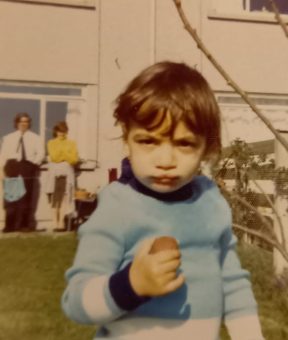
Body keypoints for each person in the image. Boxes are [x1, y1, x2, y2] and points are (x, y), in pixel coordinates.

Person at [62, 61, 264, 340]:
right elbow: (76, 302)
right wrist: (129, 285)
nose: (165, 161)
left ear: (208, 147)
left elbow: (231, 282)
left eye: (184, 144)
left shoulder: (210, 202)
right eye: (148, 141)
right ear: (126, 141)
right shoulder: (117, 208)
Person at [0, 112, 44, 232]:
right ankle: (10, 226)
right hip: (12, 166)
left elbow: (41, 154)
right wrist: (1, 172)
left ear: (29, 123)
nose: (23, 124)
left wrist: (33, 165)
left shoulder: (36, 138)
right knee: (11, 197)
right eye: (21, 122)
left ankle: (24, 226)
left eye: (26, 121)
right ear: (17, 123)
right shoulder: (8, 137)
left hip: (27, 166)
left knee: (25, 197)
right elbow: (3, 155)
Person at [45, 121, 79, 231]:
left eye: (63, 131)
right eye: (59, 131)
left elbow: (74, 160)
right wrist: (66, 155)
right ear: (56, 131)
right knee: (55, 199)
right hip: (54, 175)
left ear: (66, 132)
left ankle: (62, 223)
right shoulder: (51, 143)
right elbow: (54, 157)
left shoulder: (72, 143)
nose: (61, 133)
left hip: (67, 174)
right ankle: (55, 222)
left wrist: (62, 154)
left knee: (66, 197)